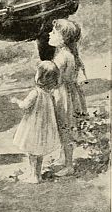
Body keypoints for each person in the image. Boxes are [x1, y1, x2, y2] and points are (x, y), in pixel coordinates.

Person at [48, 18, 87, 176]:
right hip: (69, 93)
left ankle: (69, 165)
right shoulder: (69, 54)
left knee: (64, 129)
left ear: (63, 39)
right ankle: (63, 157)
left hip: (62, 95)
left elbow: (56, 79)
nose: (49, 34)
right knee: (64, 127)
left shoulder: (62, 57)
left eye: (54, 32)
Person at [12, 61, 61, 184]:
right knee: (38, 153)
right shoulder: (50, 94)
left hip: (33, 127)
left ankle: (34, 176)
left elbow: (25, 106)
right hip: (44, 127)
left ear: (39, 76)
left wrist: (16, 101)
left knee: (32, 152)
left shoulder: (36, 92)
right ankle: (35, 174)